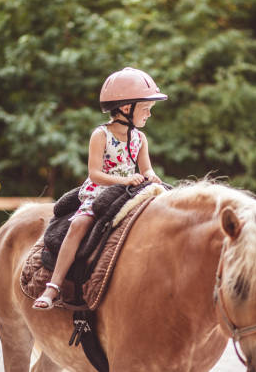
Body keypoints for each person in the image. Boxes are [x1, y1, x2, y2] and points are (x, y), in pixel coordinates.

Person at [33, 67, 167, 310]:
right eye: (146, 109)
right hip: (102, 190)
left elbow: (146, 168)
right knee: (78, 225)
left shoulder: (140, 138)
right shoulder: (101, 135)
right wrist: (125, 180)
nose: (149, 115)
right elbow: (94, 173)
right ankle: (53, 286)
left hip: (132, 191)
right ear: (127, 108)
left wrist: (152, 176)